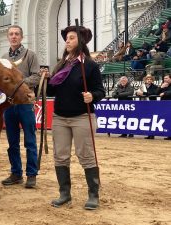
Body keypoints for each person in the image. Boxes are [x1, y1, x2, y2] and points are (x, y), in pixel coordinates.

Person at [43, 25, 105, 210]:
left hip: (82, 117)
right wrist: (47, 79)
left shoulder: (90, 65)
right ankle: (64, 194)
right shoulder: (61, 65)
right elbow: (52, 90)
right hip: (60, 117)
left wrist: (92, 96)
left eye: (71, 38)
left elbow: (100, 90)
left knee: (86, 156)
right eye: (66, 38)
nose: (67, 41)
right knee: (60, 157)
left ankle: (93, 195)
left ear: (80, 41)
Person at [1, 25, 40, 188]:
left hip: (25, 103)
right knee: (12, 142)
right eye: (11, 34)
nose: (14, 36)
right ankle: (16, 173)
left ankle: (31, 175)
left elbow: (36, 76)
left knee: (30, 141)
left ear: (21, 37)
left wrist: (18, 84)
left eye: (17, 34)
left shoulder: (30, 55)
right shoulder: (3, 58)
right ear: (8, 37)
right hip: (9, 105)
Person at [136, 74, 159, 139]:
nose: (149, 80)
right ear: (145, 80)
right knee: (147, 119)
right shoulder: (142, 86)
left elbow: (153, 93)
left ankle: (152, 134)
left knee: (153, 119)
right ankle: (149, 134)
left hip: (152, 104)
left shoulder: (155, 86)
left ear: (152, 80)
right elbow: (137, 92)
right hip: (144, 104)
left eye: (150, 79)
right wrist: (137, 93)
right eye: (147, 79)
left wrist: (143, 93)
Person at [157, 74, 171, 140]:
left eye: (167, 78)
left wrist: (165, 93)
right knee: (167, 120)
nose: (165, 80)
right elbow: (156, 92)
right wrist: (161, 87)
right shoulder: (163, 85)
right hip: (164, 105)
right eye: (164, 78)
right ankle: (169, 135)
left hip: (169, 104)